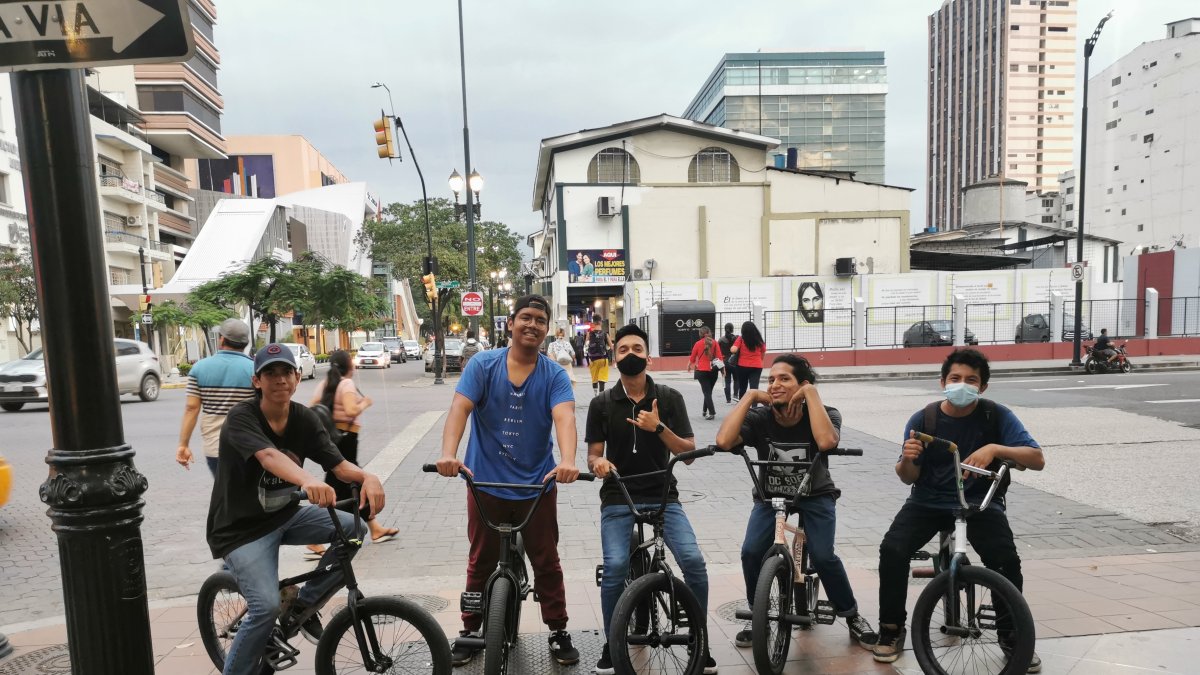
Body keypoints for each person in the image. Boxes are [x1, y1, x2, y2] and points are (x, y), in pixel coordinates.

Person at [207, 343, 386, 675]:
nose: (279, 380)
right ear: (256, 381)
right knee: (264, 607)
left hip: (286, 515)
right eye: (270, 373)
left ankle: (302, 606)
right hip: (240, 530)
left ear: (297, 376)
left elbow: (339, 464)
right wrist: (306, 481)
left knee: (354, 530)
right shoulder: (242, 417)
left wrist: (368, 476)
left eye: (286, 372)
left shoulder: (303, 417)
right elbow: (268, 457)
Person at [434, 294, 583, 667]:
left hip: (536, 486)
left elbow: (564, 418)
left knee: (546, 560)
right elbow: (459, 410)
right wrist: (449, 454)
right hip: (484, 485)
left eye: (540, 321)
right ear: (511, 323)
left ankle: (557, 629)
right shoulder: (483, 365)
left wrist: (567, 461)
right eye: (525, 318)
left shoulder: (554, 374)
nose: (532, 325)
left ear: (548, 331)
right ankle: (470, 629)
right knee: (479, 561)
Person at [872, 348, 1044, 672]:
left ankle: (1011, 635)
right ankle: (891, 629)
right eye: (955, 378)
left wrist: (995, 448)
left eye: (971, 380)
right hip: (927, 501)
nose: (962, 385)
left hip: (981, 503)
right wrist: (908, 458)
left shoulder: (996, 416)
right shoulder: (924, 418)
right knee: (892, 550)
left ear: (982, 387)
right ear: (942, 381)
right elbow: (907, 476)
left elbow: (1036, 459)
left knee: (1004, 560)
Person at [715, 354, 878, 652]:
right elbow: (725, 440)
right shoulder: (760, 417)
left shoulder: (825, 412)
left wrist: (812, 394)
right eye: (771, 379)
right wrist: (750, 395)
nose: (775, 385)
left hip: (815, 494)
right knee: (751, 552)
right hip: (771, 496)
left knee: (824, 555)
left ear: (802, 385)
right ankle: (758, 612)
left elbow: (828, 442)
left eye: (784, 379)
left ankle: (851, 614)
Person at [586, 324, 717, 674]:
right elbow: (593, 455)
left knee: (693, 562)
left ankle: (698, 637)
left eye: (637, 348)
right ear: (615, 358)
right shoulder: (601, 403)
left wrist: (658, 427)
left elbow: (688, 454)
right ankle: (612, 640)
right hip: (619, 495)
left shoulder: (669, 397)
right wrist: (598, 463)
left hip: (663, 495)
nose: (631, 354)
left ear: (648, 356)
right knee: (614, 568)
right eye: (624, 349)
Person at [309, 350, 399, 549]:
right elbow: (350, 411)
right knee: (348, 482)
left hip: (333, 439)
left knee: (348, 484)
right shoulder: (347, 384)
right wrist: (364, 403)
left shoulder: (326, 384)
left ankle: (374, 527)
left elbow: (313, 406)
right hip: (347, 438)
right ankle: (315, 539)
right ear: (348, 366)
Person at [177, 318, 255, 476]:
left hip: (215, 447)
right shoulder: (255, 369)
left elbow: (191, 408)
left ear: (222, 340)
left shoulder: (199, 368)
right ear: (246, 343)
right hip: (251, 446)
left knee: (224, 493)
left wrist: (183, 445)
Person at [687, 326, 723, 420]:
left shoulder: (697, 344)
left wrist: (689, 366)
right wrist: (723, 370)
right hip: (713, 371)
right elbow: (719, 357)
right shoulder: (715, 343)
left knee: (707, 392)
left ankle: (711, 413)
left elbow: (692, 358)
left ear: (700, 334)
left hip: (701, 371)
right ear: (709, 333)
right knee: (708, 392)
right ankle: (704, 410)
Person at [730, 321, 767, 401]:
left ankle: (742, 408)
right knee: (754, 388)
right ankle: (755, 408)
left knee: (742, 388)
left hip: (742, 366)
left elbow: (733, 350)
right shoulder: (759, 339)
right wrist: (760, 361)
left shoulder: (741, 338)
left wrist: (734, 347)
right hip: (756, 366)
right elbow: (763, 352)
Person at [587, 328, 613, 396]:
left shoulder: (589, 334)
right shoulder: (605, 334)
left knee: (594, 379)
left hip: (593, 360)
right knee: (602, 380)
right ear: (600, 322)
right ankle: (601, 397)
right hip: (603, 359)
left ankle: (595, 396)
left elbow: (586, 346)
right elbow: (611, 347)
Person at [717, 322, 737, 404]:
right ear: (732, 329)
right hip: (734, 362)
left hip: (724, 362)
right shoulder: (736, 339)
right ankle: (735, 396)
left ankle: (728, 399)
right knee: (737, 380)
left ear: (724, 329)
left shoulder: (721, 340)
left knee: (727, 380)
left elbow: (718, 352)